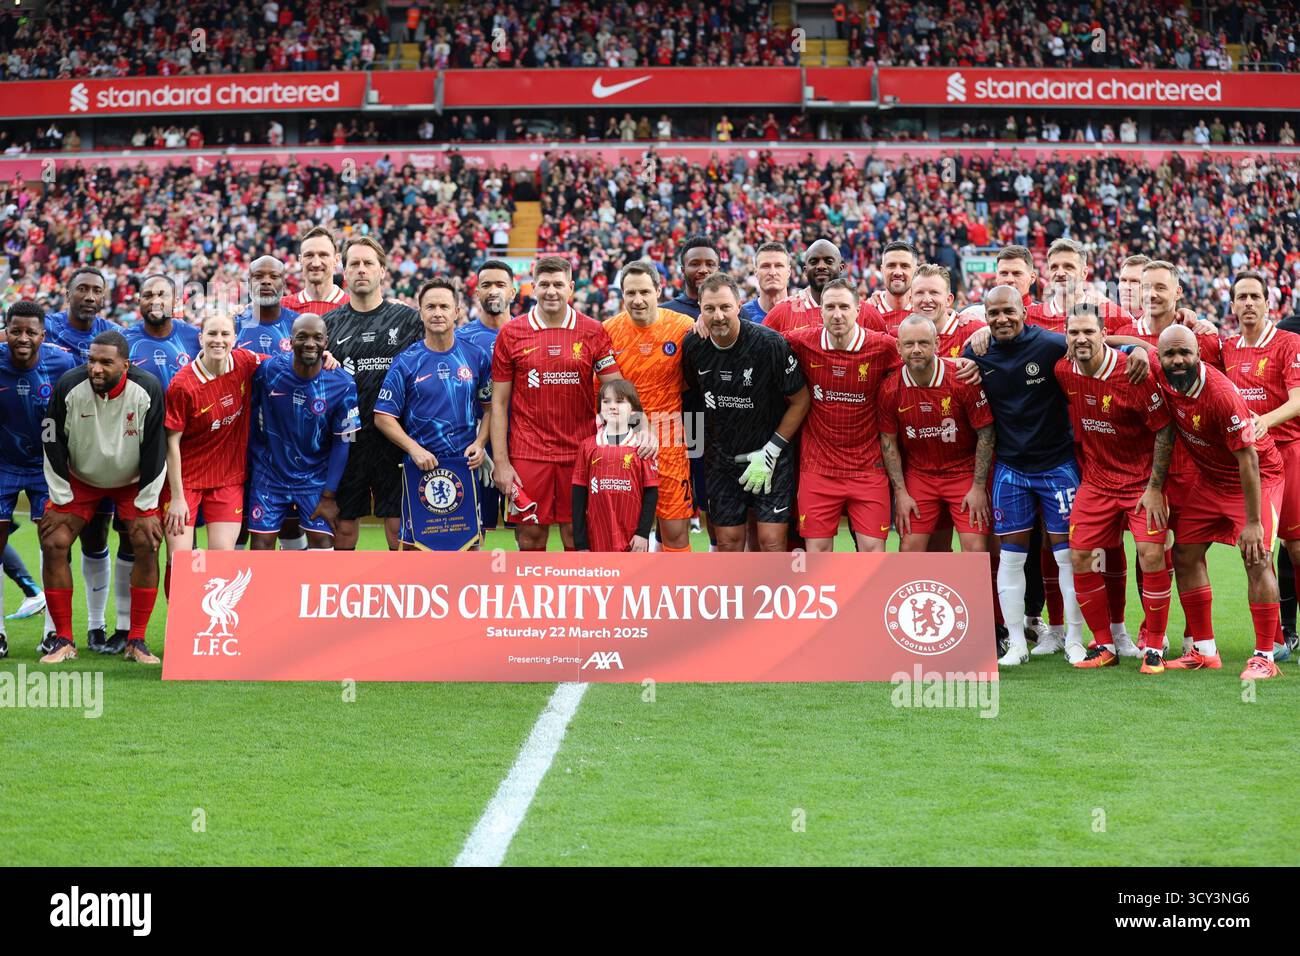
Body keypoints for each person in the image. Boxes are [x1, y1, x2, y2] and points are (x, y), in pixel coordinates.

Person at [957, 286, 1151, 666]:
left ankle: (1076, 640)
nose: (1001, 319)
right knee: (1011, 558)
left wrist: (1141, 348)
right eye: (993, 313)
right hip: (1010, 468)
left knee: (1068, 556)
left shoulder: (1050, 345)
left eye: (1008, 311)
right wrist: (972, 337)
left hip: (1057, 466)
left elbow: (1100, 344)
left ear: (1023, 311)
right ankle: (1016, 644)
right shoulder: (976, 352)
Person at [1152, 324, 1286, 680]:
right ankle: (1205, 650)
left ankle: (1264, 657)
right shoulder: (1160, 371)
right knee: (1185, 552)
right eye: (1170, 354)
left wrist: (1254, 522)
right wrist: (1132, 349)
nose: (1178, 360)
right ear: (1160, 357)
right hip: (1210, 482)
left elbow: (1249, 460)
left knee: (1256, 557)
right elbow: (1138, 346)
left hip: (1255, 479)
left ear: (1199, 354)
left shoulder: (1222, 395)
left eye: (1185, 353)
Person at [1056, 305, 1175, 671]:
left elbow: (1164, 429)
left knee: (1151, 555)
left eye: (1089, 332)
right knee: (1080, 556)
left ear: (1103, 334)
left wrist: (1155, 487)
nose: (1081, 339)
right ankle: (1104, 645)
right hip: (1097, 481)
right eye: (1074, 333)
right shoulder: (1063, 371)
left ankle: (1154, 646)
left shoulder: (1133, 372)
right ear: (1066, 338)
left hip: (1141, 482)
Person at [38, 330, 166, 665]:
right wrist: (61, 496)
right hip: (81, 479)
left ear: (125, 364)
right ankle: (64, 639)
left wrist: (147, 504)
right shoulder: (69, 385)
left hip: (132, 480)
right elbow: (50, 440)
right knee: (53, 541)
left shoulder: (148, 388)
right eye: (92, 360)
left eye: (105, 362)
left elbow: (157, 450)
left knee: (147, 541)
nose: (95, 368)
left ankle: (136, 641)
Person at [490, 256, 631, 552]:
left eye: (557, 285)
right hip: (528, 453)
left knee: (576, 536)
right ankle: (533, 598)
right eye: (544, 285)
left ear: (570, 288)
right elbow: (499, 404)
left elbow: (617, 390)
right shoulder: (511, 333)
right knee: (530, 537)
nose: (551, 291)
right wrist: (501, 463)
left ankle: (577, 599)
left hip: (581, 451)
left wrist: (621, 443)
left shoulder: (593, 330)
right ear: (533, 287)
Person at [682, 272, 810, 552]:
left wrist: (772, 450)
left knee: (771, 542)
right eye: (710, 308)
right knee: (728, 544)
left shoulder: (770, 344)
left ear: (739, 306)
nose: (718, 316)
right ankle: (737, 597)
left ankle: (774, 596)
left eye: (725, 307)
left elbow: (801, 400)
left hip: (772, 458)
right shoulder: (693, 345)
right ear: (700, 310)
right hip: (722, 462)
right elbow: (693, 389)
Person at [374, 278, 492, 550]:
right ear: (421, 312)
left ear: (457, 312)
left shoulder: (476, 356)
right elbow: (382, 416)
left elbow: (490, 409)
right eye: (430, 307)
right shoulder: (407, 360)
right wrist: (414, 449)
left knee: (470, 547)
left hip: (464, 467)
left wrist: (480, 443)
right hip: (420, 469)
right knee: (418, 549)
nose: (437, 312)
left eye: (444, 306)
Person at [115, 274, 201, 645]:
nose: (154, 299)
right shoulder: (126, 340)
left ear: (175, 299)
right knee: (133, 543)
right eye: (148, 293)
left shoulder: (194, 336)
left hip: (187, 456)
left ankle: (182, 629)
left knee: (183, 543)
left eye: (161, 293)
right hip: (136, 458)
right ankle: (124, 629)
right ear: (139, 299)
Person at [1219, 270, 1300, 661]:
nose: (1248, 303)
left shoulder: (1288, 343)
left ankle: (1290, 634)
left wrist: (1262, 421)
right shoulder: (1226, 348)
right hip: (1251, 461)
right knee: (1257, 550)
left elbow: (1298, 400)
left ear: (1268, 302)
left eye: (1255, 296)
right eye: (1241, 297)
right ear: (1232, 305)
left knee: (1297, 547)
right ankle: (1277, 641)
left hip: (1288, 450)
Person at [323, 236, 423, 551]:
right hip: (347, 444)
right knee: (343, 529)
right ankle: (340, 598)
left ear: (382, 270)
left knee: (399, 531)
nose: (361, 269)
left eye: (369, 263)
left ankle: (402, 597)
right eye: (354, 263)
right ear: (344, 271)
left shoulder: (408, 320)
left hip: (394, 442)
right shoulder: (328, 325)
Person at [785, 279, 898, 552]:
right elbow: (759, 342)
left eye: (844, 307)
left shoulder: (883, 347)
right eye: (830, 307)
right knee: (818, 556)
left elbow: (924, 359)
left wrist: (966, 361)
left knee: (872, 552)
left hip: (868, 469)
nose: (837, 314)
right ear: (820, 311)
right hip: (818, 469)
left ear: (858, 310)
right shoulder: (802, 341)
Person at [43, 267, 118, 654]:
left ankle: (95, 626)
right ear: (67, 291)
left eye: (97, 290)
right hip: (53, 451)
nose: (90, 296)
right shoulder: (46, 327)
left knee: (95, 538)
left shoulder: (110, 332)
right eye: (83, 289)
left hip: (98, 452)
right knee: (53, 540)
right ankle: (53, 632)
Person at [162, 312, 262, 589]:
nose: (218, 340)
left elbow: (287, 365)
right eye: (212, 334)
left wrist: (326, 360)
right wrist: (178, 497)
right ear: (200, 338)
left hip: (227, 478)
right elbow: (171, 443)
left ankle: (209, 628)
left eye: (225, 334)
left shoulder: (244, 362)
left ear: (235, 339)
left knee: (221, 559)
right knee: (181, 560)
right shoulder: (183, 385)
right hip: (186, 483)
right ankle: (179, 626)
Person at [879, 314, 994, 554]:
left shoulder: (962, 379)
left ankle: (978, 593)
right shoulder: (890, 389)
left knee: (976, 548)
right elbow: (888, 442)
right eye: (909, 344)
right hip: (920, 476)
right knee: (910, 549)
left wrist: (978, 487)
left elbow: (986, 433)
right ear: (898, 347)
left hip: (963, 472)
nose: (917, 350)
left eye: (924, 343)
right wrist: (900, 494)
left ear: (937, 344)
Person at [0, 303, 77, 658]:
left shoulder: (63, 363)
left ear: (43, 335)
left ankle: (55, 634)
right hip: (2, 465)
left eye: (32, 332)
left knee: (55, 546)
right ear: (6, 330)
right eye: (16, 330)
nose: (23, 338)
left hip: (48, 467)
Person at [247, 314, 360, 550]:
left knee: (321, 541)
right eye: (302, 337)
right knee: (260, 545)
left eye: (317, 338)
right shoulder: (269, 371)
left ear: (326, 343)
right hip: (270, 475)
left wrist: (329, 495)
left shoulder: (344, 384)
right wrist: (256, 455)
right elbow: (250, 413)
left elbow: (345, 441)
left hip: (314, 479)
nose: (310, 343)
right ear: (290, 341)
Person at [602, 261, 694, 551]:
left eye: (644, 291)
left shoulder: (683, 327)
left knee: (675, 531)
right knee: (622, 532)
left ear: (658, 290)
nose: (637, 300)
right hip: (621, 440)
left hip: (670, 439)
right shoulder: (608, 331)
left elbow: (693, 380)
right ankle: (628, 594)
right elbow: (604, 393)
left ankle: (676, 593)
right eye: (630, 293)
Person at [458, 259, 517, 533]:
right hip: (475, 445)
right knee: (475, 530)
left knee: (527, 530)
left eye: (500, 284)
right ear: (477, 293)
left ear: (513, 292)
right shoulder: (459, 339)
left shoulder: (528, 333)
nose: (493, 290)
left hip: (521, 443)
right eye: (486, 285)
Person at [572, 380, 660, 552]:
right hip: (596, 538)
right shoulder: (588, 446)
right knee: (600, 579)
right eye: (606, 401)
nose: (612, 406)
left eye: (619, 401)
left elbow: (651, 494)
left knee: (633, 579)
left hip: (633, 540)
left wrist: (643, 534)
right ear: (599, 409)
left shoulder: (642, 447)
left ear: (634, 411)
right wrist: (581, 543)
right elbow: (578, 497)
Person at [763, 239, 885, 335]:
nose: (821, 266)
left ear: (841, 268)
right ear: (805, 271)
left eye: (829, 261)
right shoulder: (783, 312)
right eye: (814, 262)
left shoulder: (866, 312)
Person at [282, 227, 349, 316]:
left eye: (323, 255)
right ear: (300, 260)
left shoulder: (354, 307)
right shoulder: (282, 307)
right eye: (309, 255)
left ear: (336, 260)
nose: (316, 263)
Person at [869, 240, 919, 332]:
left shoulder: (926, 311)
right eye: (891, 265)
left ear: (915, 272)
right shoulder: (867, 313)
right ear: (882, 270)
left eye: (904, 266)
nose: (897, 272)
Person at [739, 241, 791, 324]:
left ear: (788, 272)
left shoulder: (802, 313)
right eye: (765, 266)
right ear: (755, 272)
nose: (772, 273)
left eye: (779, 266)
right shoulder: (742, 316)